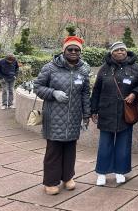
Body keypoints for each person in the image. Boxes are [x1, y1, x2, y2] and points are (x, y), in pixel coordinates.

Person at [34, 36, 91, 195]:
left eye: (76, 50)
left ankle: (68, 178)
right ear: (63, 50)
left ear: (80, 52)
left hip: (73, 117)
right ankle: (50, 182)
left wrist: (86, 115)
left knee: (70, 149)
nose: (73, 52)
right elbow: (37, 87)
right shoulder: (50, 68)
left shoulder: (83, 70)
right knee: (54, 150)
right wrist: (53, 93)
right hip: (54, 116)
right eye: (70, 49)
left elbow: (86, 94)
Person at [90, 42, 138, 186]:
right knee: (105, 144)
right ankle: (101, 172)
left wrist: (134, 93)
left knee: (123, 144)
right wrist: (93, 110)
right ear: (112, 53)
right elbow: (96, 90)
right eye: (117, 50)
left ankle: (120, 171)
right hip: (106, 111)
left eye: (123, 50)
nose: (120, 52)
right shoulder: (104, 69)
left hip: (126, 112)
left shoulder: (135, 68)